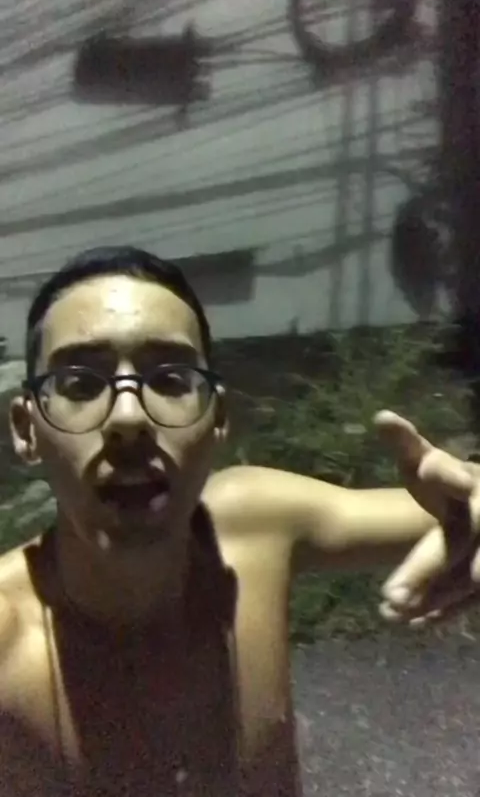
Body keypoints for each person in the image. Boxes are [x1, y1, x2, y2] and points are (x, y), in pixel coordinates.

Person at [0, 244, 478, 797]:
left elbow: (465, 510)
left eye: (170, 379)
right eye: (81, 384)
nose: (128, 418)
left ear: (219, 417)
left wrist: (471, 498)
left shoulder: (255, 527)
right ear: (27, 429)